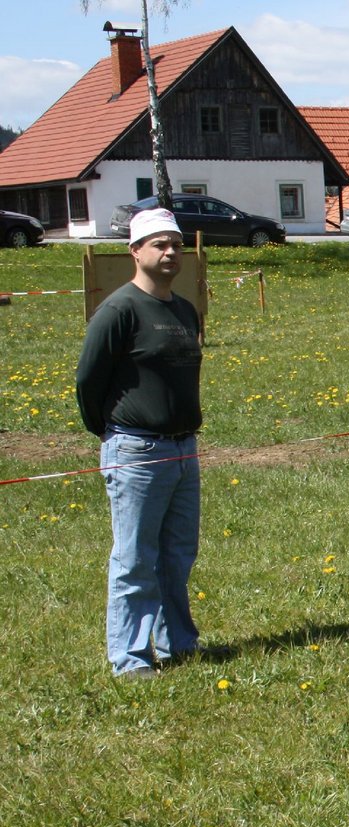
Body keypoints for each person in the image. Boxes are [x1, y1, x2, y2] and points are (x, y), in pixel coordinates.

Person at [76, 208, 204, 679]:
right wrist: (112, 434)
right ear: (135, 251)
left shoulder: (184, 309)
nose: (170, 253)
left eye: (176, 244)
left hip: (184, 449)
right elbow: (89, 381)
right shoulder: (119, 311)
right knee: (134, 558)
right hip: (137, 451)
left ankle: (178, 644)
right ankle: (130, 657)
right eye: (159, 244)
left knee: (177, 554)